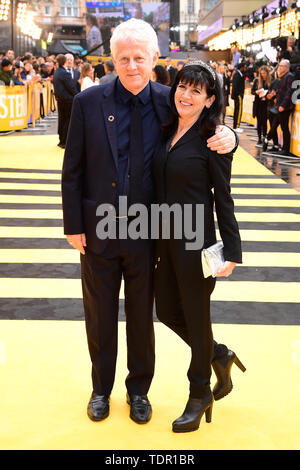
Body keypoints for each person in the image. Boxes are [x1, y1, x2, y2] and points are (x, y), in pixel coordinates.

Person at [61, 18, 238, 426]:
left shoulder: (168, 100)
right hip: (99, 226)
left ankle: (138, 390)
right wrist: (74, 224)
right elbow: (72, 168)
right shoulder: (90, 102)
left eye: (139, 57)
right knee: (99, 314)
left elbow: (206, 125)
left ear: (155, 59)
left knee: (143, 315)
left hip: (150, 230)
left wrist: (226, 132)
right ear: (112, 60)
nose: (131, 65)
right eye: (123, 58)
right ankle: (100, 389)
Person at [153, 61, 244, 433]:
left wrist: (232, 250)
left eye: (196, 91)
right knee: (166, 310)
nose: (185, 95)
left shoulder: (213, 139)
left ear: (209, 100)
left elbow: (223, 197)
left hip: (195, 242)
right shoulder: (165, 127)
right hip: (161, 238)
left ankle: (199, 392)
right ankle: (219, 354)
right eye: (182, 87)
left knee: (195, 315)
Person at [53, 54, 78, 149]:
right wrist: (79, 96)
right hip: (68, 101)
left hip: (60, 100)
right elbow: (71, 88)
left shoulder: (57, 72)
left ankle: (62, 140)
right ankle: (65, 141)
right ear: (64, 62)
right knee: (67, 121)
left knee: (62, 120)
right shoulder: (65, 73)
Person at [274, 59, 295, 156]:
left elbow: (289, 92)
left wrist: (283, 105)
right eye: (279, 66)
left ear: (287, 67)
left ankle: (286, 149)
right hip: (280, 105)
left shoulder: (289, 76)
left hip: (285, 107)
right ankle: (283, 147)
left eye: (281, 66)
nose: (279, 68)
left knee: (285, 128)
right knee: (282, 127)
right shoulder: (283, 77)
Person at [251, 65, 271, 146]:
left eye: (264, 73)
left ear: (267, 73)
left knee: (265, 122)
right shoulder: (257, 80)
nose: (263, 75)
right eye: (261, 73)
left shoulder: (270, 81)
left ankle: (264, 137)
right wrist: (256, 92)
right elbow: (252, 91)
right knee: (259, 122)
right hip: (258, 104)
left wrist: (267, 94)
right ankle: (259, 138)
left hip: (266, 104)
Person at [231, 62, 246, 133]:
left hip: (237, 95)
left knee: (237, 110)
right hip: (238, 96)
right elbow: (236, 86)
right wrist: (239, 94)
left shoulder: (239, 74)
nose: (245, 68)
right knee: (239, 111)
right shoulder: (237, 74)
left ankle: (236, 126)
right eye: (244, 67)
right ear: (241, 67)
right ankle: (236, 126)